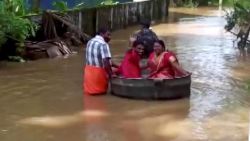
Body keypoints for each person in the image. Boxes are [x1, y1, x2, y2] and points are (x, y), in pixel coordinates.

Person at [83, 28, 117, 95]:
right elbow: (106, 62)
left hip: (88, 74)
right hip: (98, 75)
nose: (110, 38)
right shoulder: (103, 44)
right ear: (101, 34)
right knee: (100, 95)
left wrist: (118, 66)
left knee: (90, 96)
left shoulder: (90, 41)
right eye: (108, 35)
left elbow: (99, 59)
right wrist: (111, 74)